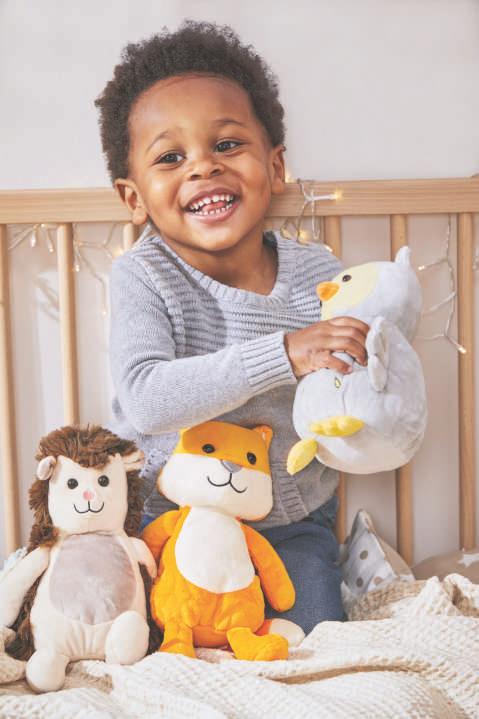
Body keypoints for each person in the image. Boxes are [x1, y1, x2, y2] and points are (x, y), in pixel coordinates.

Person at [95, 20, 369, 634]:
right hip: (168, 518)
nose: (203, 168)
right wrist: (284, 354)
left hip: (291, 523)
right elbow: (146, 399)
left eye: (226, 144)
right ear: (134, 197)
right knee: (145, 635)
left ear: (275, 166)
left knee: (315, 640)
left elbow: (352, 390)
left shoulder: (320, 275)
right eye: (170, 157)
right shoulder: (143, 275)